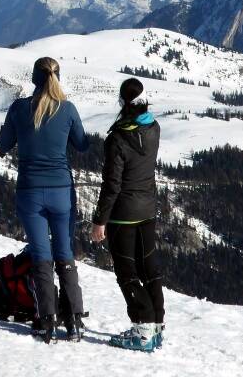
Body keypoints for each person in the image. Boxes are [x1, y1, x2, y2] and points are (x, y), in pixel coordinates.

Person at [0, 56, 89, 343]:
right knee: (65, 253)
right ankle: (74, 320)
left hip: (30, 191)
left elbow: (4, 144)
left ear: (35, 78)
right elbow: (83, 145)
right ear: (58, 78)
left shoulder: (20, 108)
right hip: (62, 191)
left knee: (41, 256)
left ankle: (46, 320)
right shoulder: (68, 109)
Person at [91, 77, 165, 352]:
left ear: (122, 103)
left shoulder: (117, 139)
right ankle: (156, 326)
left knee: (127, 272)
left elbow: (112, 185)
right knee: (150, 269)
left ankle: (142, 329)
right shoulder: (154, 128)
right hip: (148, 209)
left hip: (123, 214)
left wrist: (100, 220)